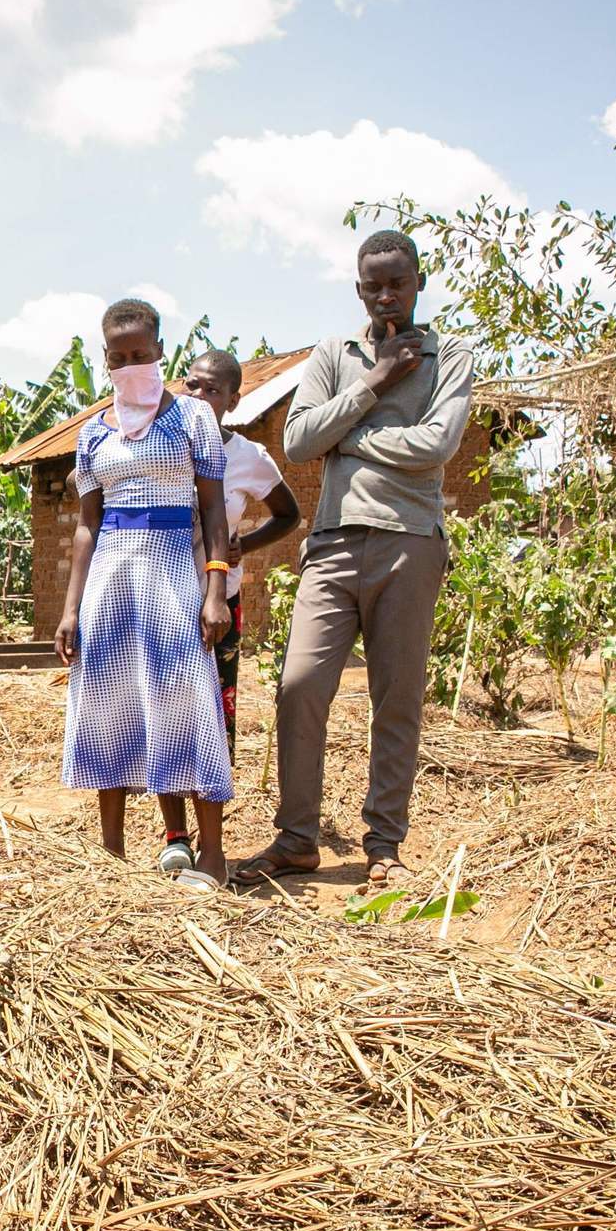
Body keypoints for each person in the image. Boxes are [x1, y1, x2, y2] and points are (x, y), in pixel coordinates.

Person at [233, 230, 473, 889]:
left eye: (399, 282)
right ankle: (297, 838)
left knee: (397, 699)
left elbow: (439, 444)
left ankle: (385, 846)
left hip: (409, 541)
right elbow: (301, 439)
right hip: (333, 544)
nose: (387, 295)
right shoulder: (334, 356)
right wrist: (373, 383)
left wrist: (351, 438)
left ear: (419, 281)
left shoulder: (449, 355)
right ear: (359, 288)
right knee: (299, 685)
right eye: (374, 285)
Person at [55, 299, 237, 885]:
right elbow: (87, 524)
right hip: (108, 583)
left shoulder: (192, 420)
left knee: (189, 705)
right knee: (108, 707)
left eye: (140, 353)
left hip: (172, 581)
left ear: (160, 351)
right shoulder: (91, 434)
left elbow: (213, 512)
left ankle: (211, 852)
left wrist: (214, 591)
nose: (130, 363)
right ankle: (112, 853)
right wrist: (69, 609)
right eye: (118, 357)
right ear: (105, 359)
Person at [157, 349, 299, 873]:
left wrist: (248, 543)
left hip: (218, 608)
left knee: (214, 720)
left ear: (234, 399)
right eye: (192, 385)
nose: (199, 396)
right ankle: (175, 837)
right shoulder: (160, 447)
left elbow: (289, 514)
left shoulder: (248, 457)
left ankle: (213, 850)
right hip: (163, 601)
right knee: (167, 716)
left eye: (212, 389)